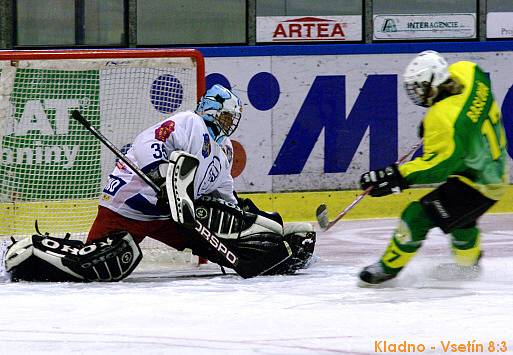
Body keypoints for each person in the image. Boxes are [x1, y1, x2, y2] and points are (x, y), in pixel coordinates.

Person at [3, 84, 316, 282]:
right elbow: (146, 142)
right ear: (209, 110)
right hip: (128, 206)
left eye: (230, 121)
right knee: (103, 264)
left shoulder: (225, 151)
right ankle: (32, 251)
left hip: (173, 214)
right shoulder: (188, 122)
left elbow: (225, 197)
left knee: (225, 229)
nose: (227, 125)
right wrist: (161, 175)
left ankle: (274, 250)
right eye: (223, 118)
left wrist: (250, 222)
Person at [358, 50, 508, 284]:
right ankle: (468, 266)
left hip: (479, 183)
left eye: (421, 87)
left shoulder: (443, 119)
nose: (418, 93)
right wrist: (439, 127)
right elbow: (472, 101)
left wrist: (395, 176)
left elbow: (438, 167)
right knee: (460, 219)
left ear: (434, 81)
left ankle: (388, 268)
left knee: (417, 215)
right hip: (493, 169)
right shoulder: (468, 71)